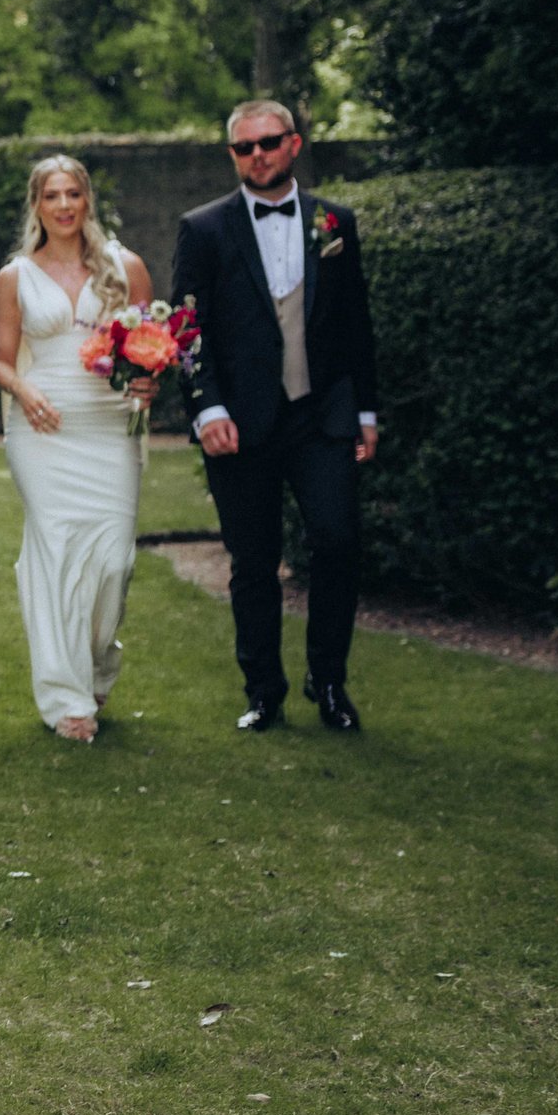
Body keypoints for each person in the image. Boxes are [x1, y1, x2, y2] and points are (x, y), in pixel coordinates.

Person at [172, 101, 380, 733]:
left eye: (268, 142)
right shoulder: (204, 228)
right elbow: (187, 327)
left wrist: (367, 411)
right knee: (254, 561)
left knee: (338, 542)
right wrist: (206, 406)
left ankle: (331, 679)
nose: (257, 155)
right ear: (233, 154)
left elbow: (356, 326)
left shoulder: (334, 221)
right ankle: (264, 690)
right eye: (243, 147)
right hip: (242, 422)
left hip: (324, 416)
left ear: (293, 144)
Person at [0, 155, 154, 743]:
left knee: (114, 562)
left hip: (109, 426)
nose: (63, 206)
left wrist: (148, 380)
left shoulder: (125, 266)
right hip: (44, 427)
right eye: (51, 195)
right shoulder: (16, 276)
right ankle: (67, 698)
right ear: (37, 205)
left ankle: (98, 664)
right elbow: (1, 362)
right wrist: (24, 390)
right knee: (57, 553)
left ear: (87, 200)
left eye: (73, 194)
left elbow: (149, 346)